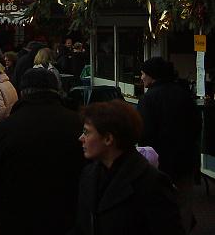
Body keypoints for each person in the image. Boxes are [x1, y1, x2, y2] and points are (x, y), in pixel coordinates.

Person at [0, 68, 85, 235]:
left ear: (22, 92)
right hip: (68, 216)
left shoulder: (5, 130)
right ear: (57, 91)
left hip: (17, 217)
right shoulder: (79, 125)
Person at [72, 100, 184, 235]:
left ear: (108, 138)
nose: (81, 138)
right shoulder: (89, 174)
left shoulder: (151, 183)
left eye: (87, 132)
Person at [136, 57, 200, 233]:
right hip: (185, 160)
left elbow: (144, 133)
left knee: (160, 204)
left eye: (143, 74)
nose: (141, 78)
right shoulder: (184, 94)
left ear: (152, 76)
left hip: (160, 162)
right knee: (184, 203)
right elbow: (196, 125)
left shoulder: (148, 100)